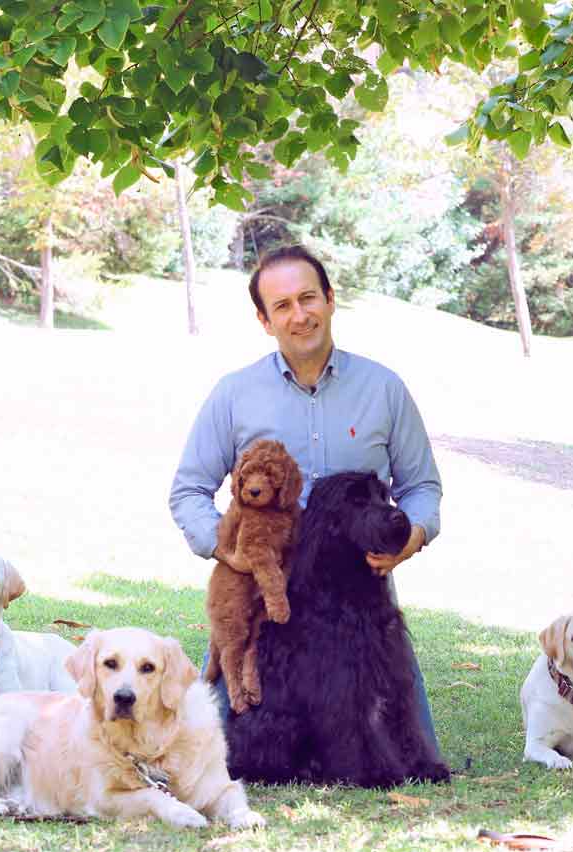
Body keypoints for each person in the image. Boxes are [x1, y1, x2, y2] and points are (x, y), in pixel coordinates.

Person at [169, 245, 442, 746]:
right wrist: (230, 552)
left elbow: (421, 486)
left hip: (361, 598)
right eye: (283, 306)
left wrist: (413, 537)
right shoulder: (234, 394)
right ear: (264, 320)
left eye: (308, 298)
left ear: (331, 299)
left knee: (406, 753)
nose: (300, 315)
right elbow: (188, 490)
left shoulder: (384, 389)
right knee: (230, 751)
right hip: (264, 599)